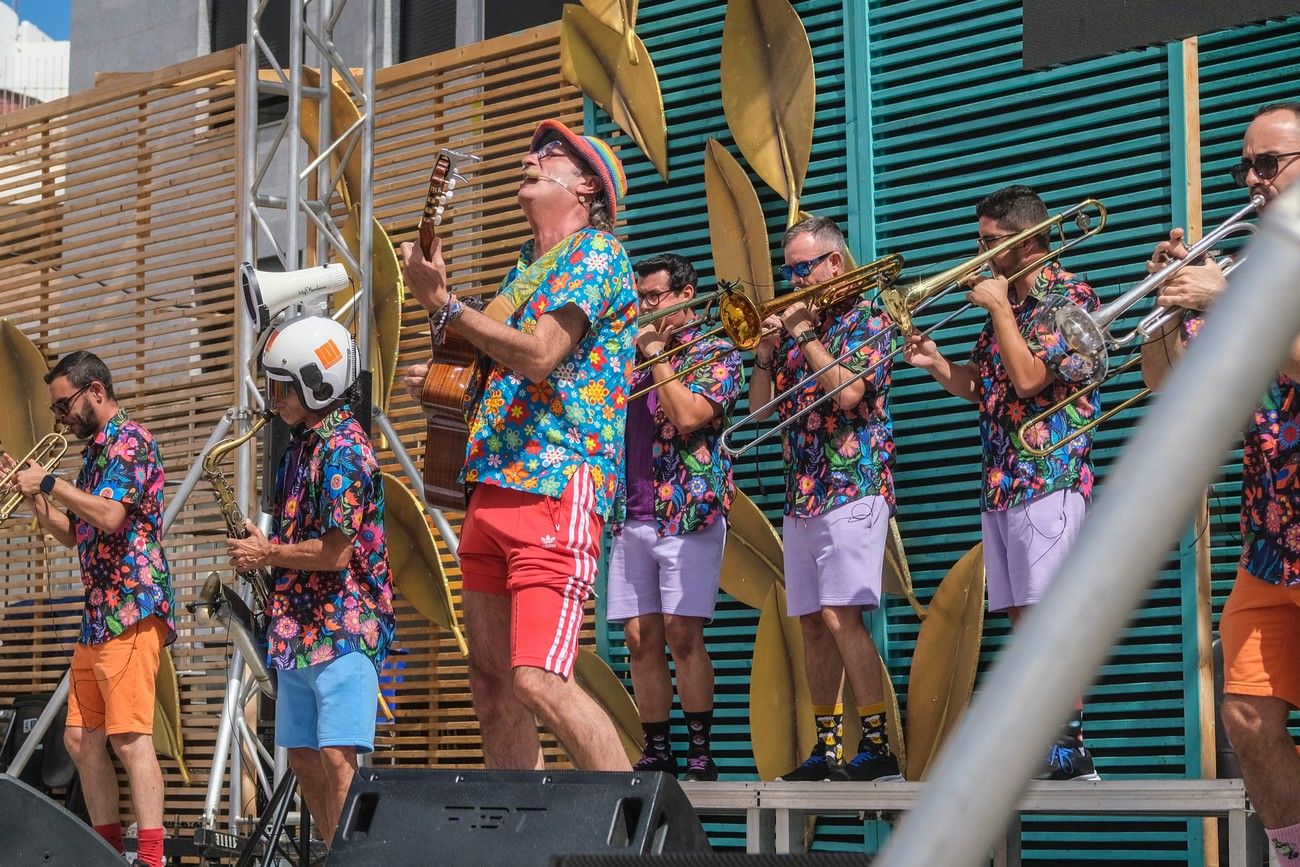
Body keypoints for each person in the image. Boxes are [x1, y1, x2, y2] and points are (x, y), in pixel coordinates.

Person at [401, 119, 636, 771]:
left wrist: (445, 304)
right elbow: (479, 356)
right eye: (531, 150)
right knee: (492, 688)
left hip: (555, 485)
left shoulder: (597, 254)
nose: (530, 157)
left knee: (538, 678)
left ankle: (645, 841)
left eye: (550, 153)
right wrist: (444, 372)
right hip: (492, 485)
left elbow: (539, 357)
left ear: (587, 185)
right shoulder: (524, 271)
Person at [1142, 102, 1300, 863]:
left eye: (1268, 163)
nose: (1251, 179)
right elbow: (1168, 389)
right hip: (1269, 538)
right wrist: (1170, 305)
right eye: (1246, 164)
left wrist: (1223, 298)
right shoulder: (1234, 270)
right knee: (1243, 713)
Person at [904, 184, 1102, 781]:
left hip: (1051, 475)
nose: (983, 253)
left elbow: (1027, 379)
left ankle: (1071, 743)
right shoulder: (1007, 304)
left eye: (994, 241)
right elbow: (983, 388)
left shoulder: (1069, 295)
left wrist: (997, 308)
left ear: (1030, 239)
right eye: (981, 240)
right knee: (1020, 612)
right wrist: (940, 366)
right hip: (1002, 479)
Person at [226, 315, 395, 848]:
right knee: (300, 754)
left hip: (344, 625)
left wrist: (268, 551)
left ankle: (351, 861)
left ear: (316, 383)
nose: (273, 398)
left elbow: (337, 552)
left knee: (338, 757)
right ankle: (332, 852)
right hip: (298, 625)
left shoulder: (345, 448)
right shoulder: (300, 444)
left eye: (282, 385)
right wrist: (266, 543)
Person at [0, 351, 174, 867]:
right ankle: (105, 850)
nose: (59, 419)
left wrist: (49, 482)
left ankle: (151, 858)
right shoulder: (95, 454)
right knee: (79, 738)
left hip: (131, 606)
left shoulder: (129, 440)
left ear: (95, 391)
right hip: (100, 612)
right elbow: (76, 532)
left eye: (63, 406)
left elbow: (112, 516)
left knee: (129, 737)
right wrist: (33, 498)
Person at [746, 216, 903, 782]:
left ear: (835, 263)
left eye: (802, 267)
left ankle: (880, 746)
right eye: (788, 269)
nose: (793, 278)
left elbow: (852, 390)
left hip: (854, 483)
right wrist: (767, 349)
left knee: (841, 616)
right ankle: (828, 748)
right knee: (812, 622)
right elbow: (762, 412)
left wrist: (805, 335)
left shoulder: (869, 316)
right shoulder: (796, 330)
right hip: (803, 491)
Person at [609, 253, 742, 783]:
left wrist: (657, 356)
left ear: (686, 297)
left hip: (687, 511)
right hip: (632, 514)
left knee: (683, 634)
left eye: (653, 298)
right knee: (640, 639)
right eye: (639, 297)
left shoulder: (717, 351)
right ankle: (657, 749)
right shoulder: (627, 358)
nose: (643, 307)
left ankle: (701, 751)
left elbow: (688, 416)